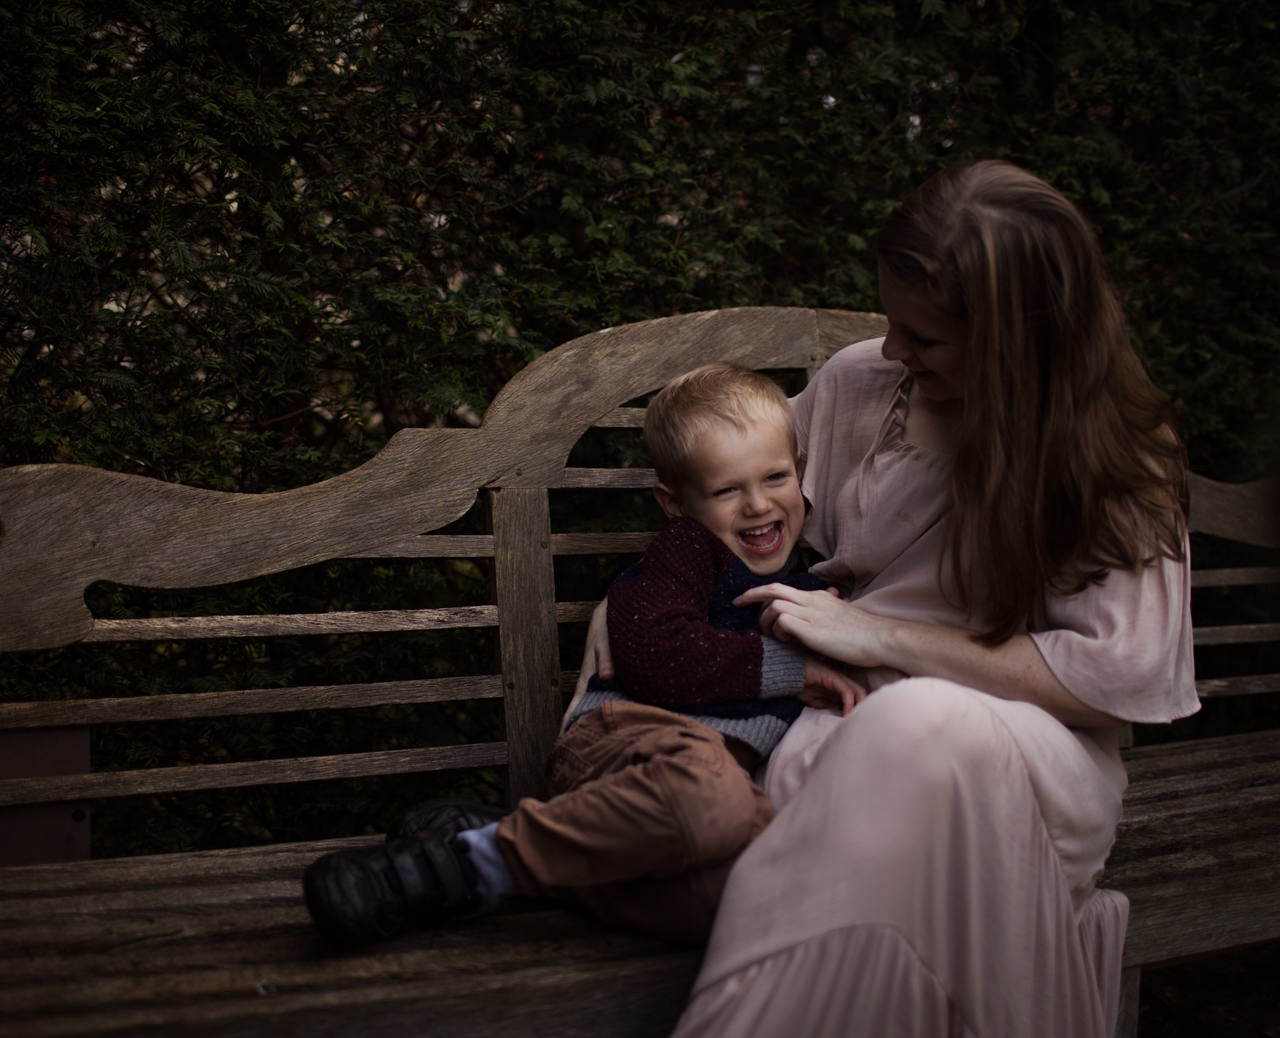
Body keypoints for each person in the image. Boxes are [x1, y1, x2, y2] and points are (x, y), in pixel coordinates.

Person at [581, 160, 1197, 1037]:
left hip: (1027, 753)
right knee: (827, 762)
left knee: (914, 727)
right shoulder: (861, 384)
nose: (896, 352)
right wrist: (641, 605)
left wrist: (880, 635)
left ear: (1017, 342)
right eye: (892, 323)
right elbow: (735, 491)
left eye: (928, 338)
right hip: (841, 716)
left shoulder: (1122, 457)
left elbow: (1114, 683)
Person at [302, 363, 863, 950]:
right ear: (675, 505)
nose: (756, 504)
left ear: (800, 468)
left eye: (774, 477)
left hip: (685, 801)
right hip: (626, 742)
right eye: (726, 490)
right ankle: (455, 870)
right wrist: (792, 671)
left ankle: (501, 850)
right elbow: (656, 654)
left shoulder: (815, 587)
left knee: (754, 893)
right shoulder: (688, 551)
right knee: (710, 798)